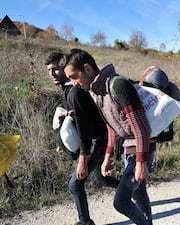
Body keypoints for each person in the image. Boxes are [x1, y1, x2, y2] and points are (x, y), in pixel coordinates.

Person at [63, 48, 153, 225]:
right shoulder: (96, 92)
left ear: (87, 69)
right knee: (139, 195)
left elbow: (141, 127)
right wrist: (108, 156)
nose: (73, 83)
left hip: (141, 149)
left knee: (121, 203)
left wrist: (141, 163)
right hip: (129, 149)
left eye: (74, 76)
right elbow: (111, 127)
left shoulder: (118, 86)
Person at [45, 52, 119, 225]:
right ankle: (132, 189)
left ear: (65, 69)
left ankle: (85, 222)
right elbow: (70, 119)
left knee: (75, 184)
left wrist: (82, 160)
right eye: (49, 70)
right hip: (92, 141)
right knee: (102, 179)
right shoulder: (67, 90)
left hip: (96, 141)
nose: (52, 74)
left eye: (56, 69)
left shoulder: (75, 93)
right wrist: (61, 142)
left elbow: (85, 128)